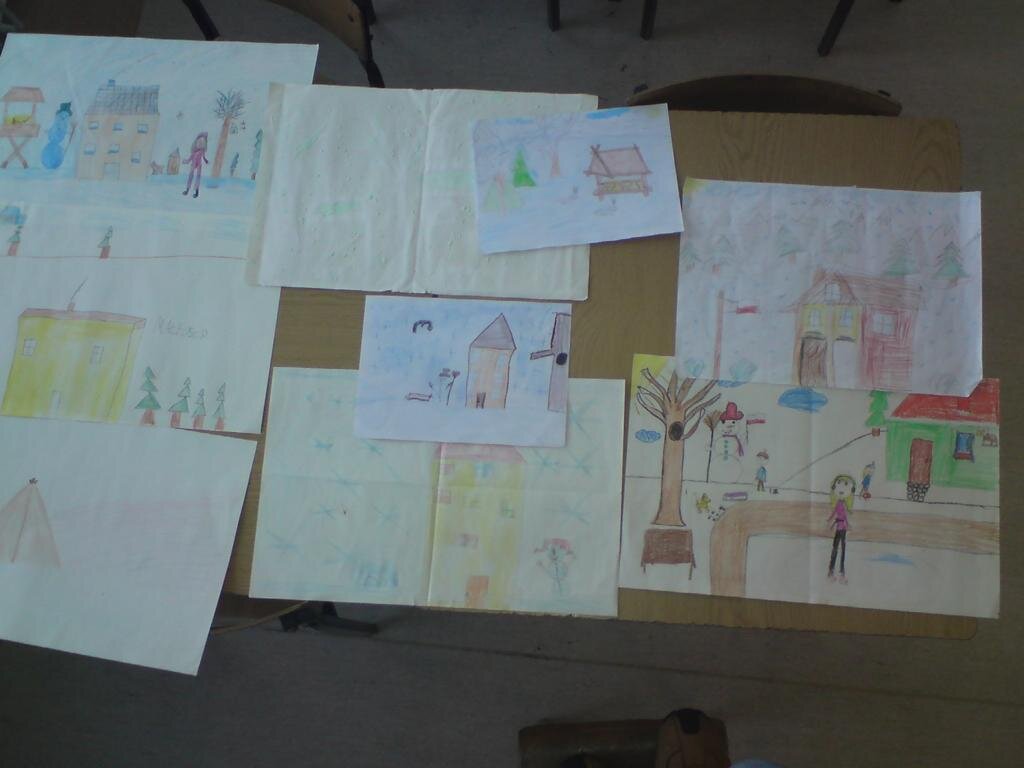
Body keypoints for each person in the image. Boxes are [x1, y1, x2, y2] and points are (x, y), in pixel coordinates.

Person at [827, 474, 856, 583]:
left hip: (842, 528)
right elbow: (835, 514)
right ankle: (832, 572)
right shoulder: (839, 504)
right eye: (838, 485)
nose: (842, 489)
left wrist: (847, 524)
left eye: (846, 485)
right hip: (839, 528)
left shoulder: (843, 504)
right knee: (836, 549)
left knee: (841, 550)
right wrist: (830, 521)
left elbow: (844, 517)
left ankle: (840, 573)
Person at [183, 132, 209, 198]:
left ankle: (196, 191)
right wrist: (186, 161)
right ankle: (187, 189)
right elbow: (190, 158)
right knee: (191, 176)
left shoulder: (202, 151)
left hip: (199, 164)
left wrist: (206, 160)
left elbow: (204, 157)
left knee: (198, 177)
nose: (200, 144)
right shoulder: (194, 152)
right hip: (193, 164)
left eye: (202, 143)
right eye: (199, 142)